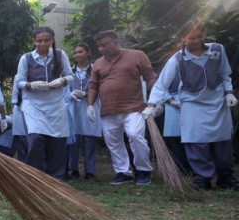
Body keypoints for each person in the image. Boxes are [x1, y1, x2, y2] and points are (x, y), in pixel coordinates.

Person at [145, 21, 238, 190]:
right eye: (191, 38)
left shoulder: (217, 50)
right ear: (183, 38)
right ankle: (203, 177)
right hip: (192, 104)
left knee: (222, 141)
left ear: (205, 34)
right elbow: (161, 84)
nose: (196, 41)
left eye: (200, 37)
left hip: (217, 101)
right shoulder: (178, 59)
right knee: (196, 141)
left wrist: (229, 93)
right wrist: (151, 105)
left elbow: (225, 74)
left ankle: (226, 176)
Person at [87, 31, 157, 186]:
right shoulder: (98, 63)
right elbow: (93, 85)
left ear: (116, 42)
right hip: (107, 109)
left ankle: (144, 170)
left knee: (135, 136)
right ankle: (123, 172)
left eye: (104, 45)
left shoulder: (137, 55)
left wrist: (156, 100)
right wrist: (90, 105)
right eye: (98, 46)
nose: (101, 48)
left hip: (133, 107)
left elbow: (150, 77)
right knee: (113, 142)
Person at [14, 27, 74, 180]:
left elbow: (70, 76)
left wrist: (62, 80)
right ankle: (34, 177)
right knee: (35, 139)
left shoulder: (60, 55)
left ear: (52, 40)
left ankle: (56, 177)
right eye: (39, 41)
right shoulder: (26, 58)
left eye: (47, 40)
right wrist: (31, 85)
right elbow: (19, 82)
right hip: (33, 104)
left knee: (57, 140)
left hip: (55, 103)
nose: (43, 44)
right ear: (34, 42)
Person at [67, 43, 101, 181]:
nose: (77, 55)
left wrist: (87, 94)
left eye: (80, 52)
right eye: (75, 53)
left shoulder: (95, 70)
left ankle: (90, 171)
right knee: (74, 139)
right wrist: (70, 94)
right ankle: (74, 169)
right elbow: (63, 89)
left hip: (90, 106)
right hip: (74, 107)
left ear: (88, 53)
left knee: (89, 139)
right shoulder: (70, 71)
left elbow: (101, 88)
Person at [160, 72, 192, 175]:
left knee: (194, 138)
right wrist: (172, 101)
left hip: (193, 102)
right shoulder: (170, 70)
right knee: (175, 139)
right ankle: (181, 168)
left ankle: (197, 167)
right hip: (173, 105)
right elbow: (162, 88)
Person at [10, 77, 28, 162]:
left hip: (26, 109)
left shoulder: (19, 76)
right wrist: (12, 113)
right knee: (22, 141)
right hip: (20, 109)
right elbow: (15, 96)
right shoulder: (18, 76)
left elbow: (15, 96)